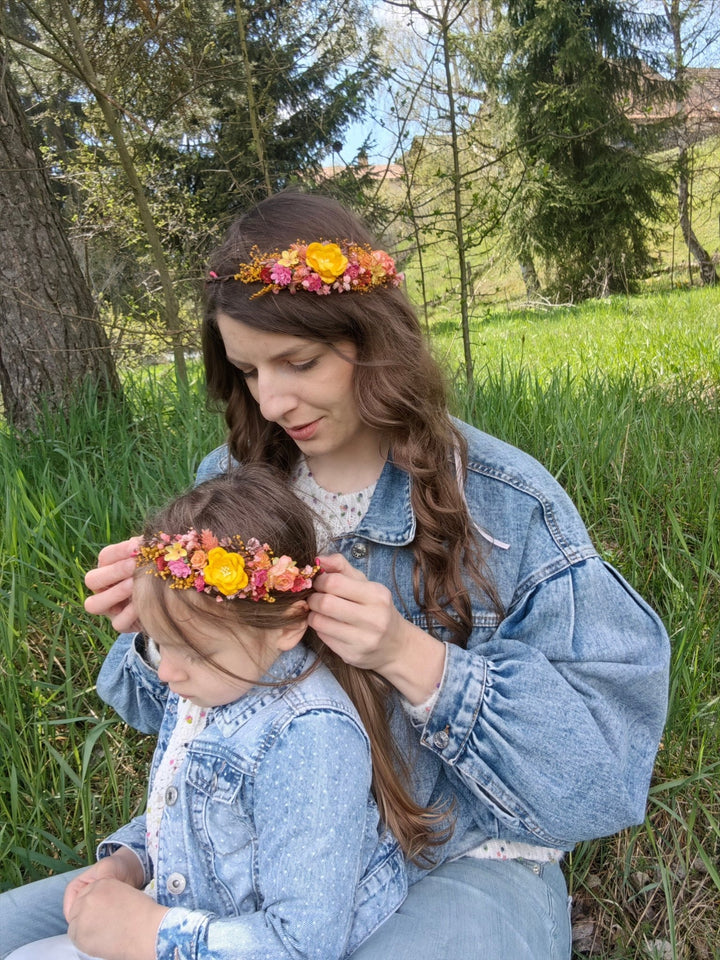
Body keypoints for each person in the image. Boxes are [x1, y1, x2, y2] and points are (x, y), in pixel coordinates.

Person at [0, 191, 670, 960]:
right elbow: (191, 717)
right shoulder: (233, 482)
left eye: (301, 362)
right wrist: (159, 630)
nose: (274, 401)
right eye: (250, 371)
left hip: (455, 857)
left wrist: (410, 659)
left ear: (372, 340)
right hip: (257, 850)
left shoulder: (506, 506)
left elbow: (602, 776)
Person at [6, 467, 422, 960]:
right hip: (187, 915)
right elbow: (191, 820)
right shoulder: (217, 682)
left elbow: (304, 943)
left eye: (195, 652)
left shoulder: (309, 739)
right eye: (160, 646)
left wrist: (152, 933)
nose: (166, 674)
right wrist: (129, 862)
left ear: (287, 627)